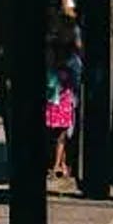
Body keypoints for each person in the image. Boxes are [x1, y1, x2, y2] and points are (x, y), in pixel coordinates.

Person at [45, 46, 76, 179]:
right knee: (57, 137)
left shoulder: (63, 71)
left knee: (60, 137)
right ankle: (61, 165)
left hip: (60, 106)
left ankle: (57, 165)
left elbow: (55, 86)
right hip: (54, 106)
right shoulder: (54, 71)